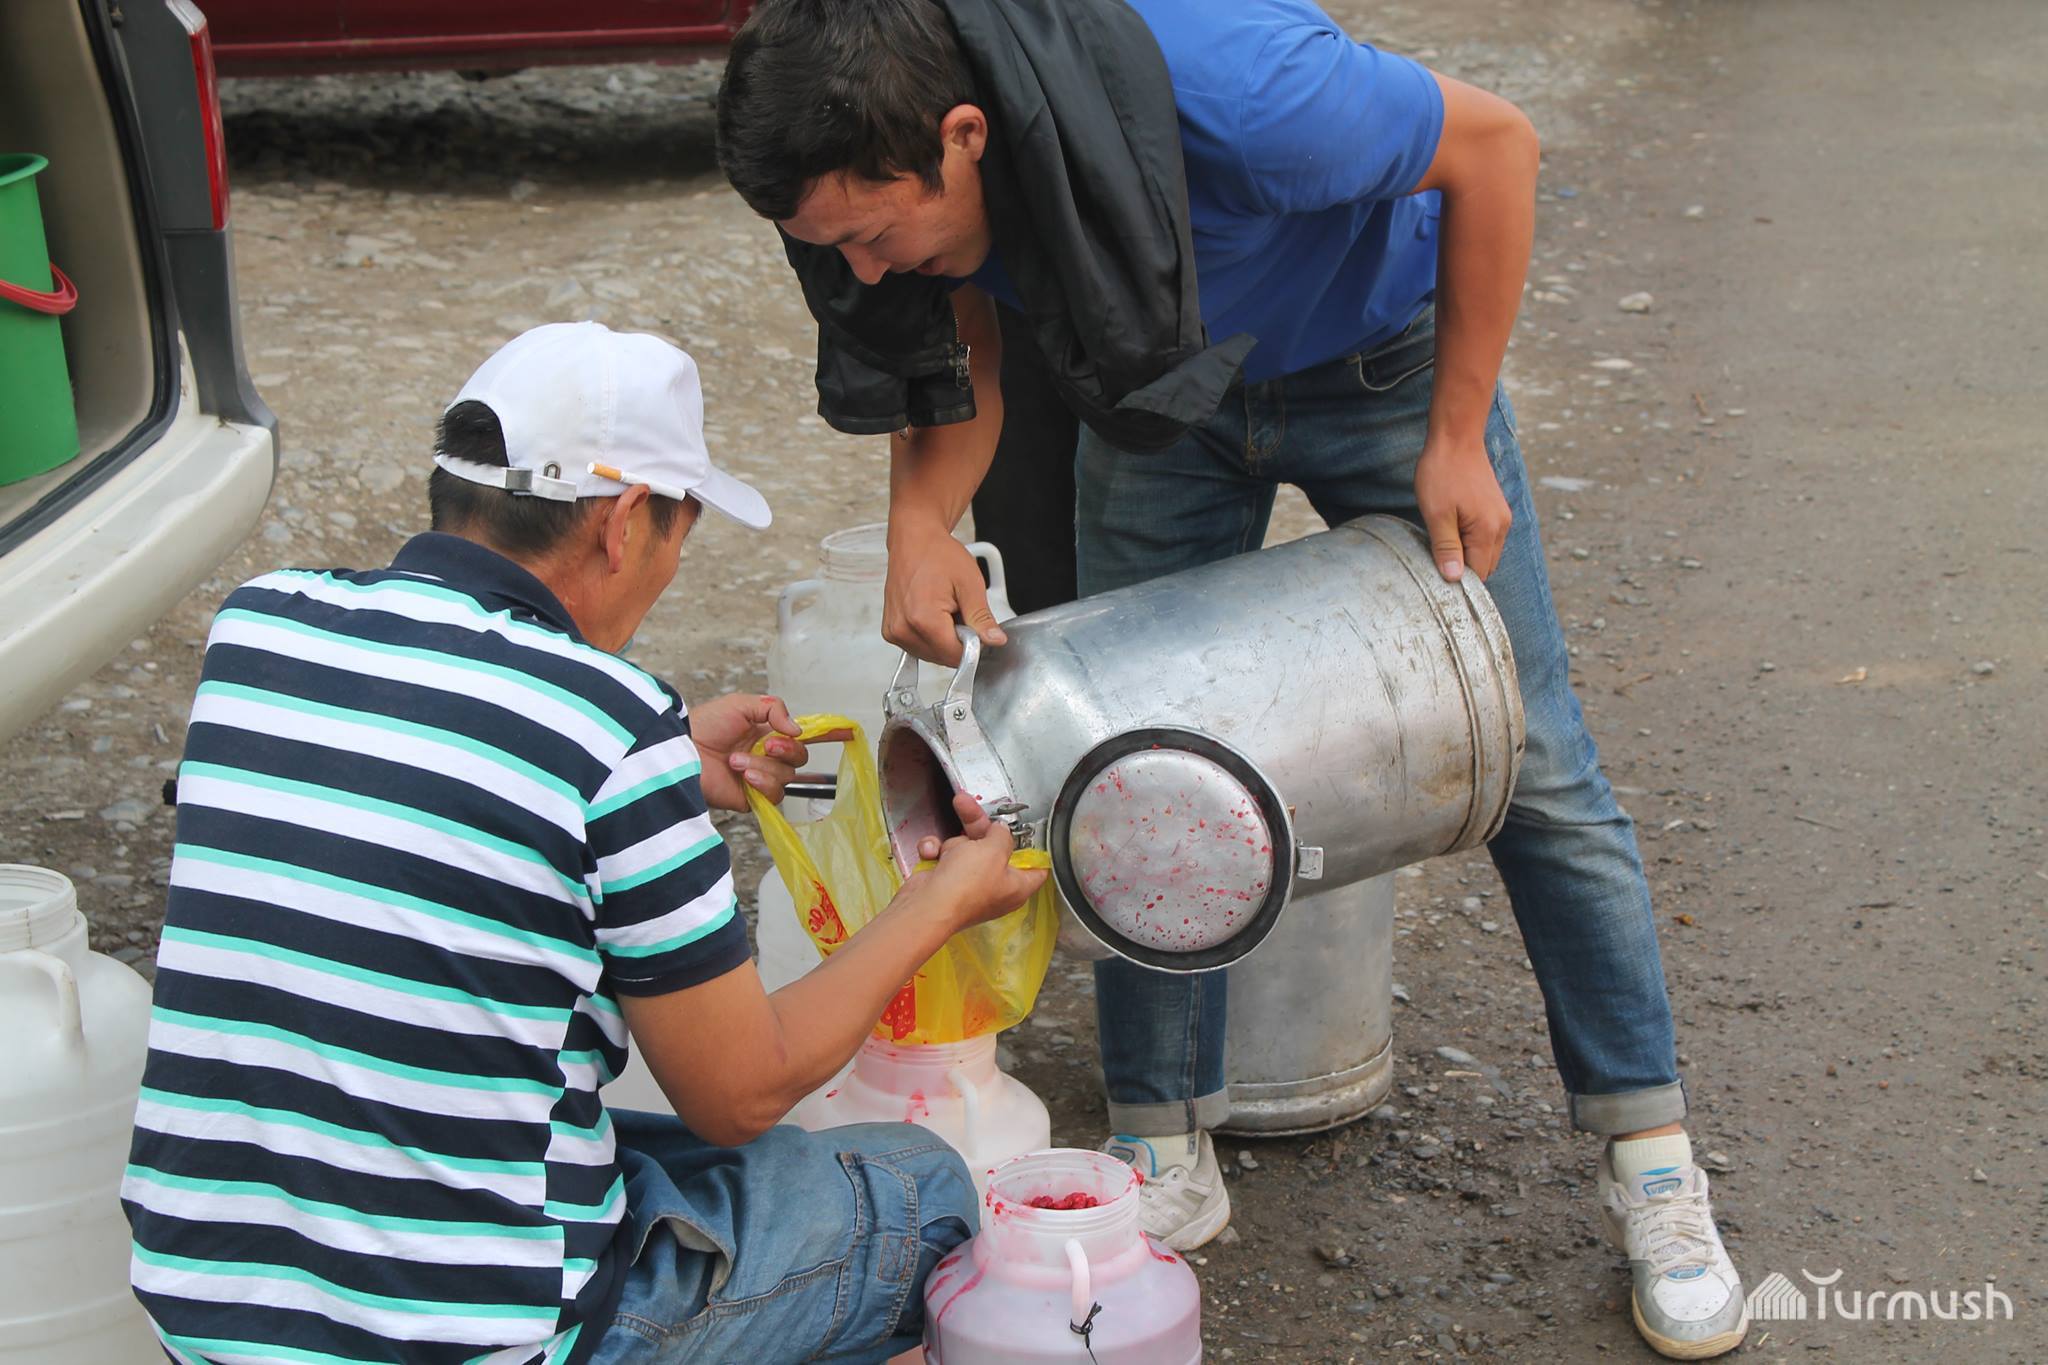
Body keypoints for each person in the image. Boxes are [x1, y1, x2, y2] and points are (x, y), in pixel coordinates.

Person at [715, 1, 1749, 1357]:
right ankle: (1160, 1139)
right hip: (1155, 391)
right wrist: (920, 524)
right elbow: (958, 326)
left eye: (867, 233)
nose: (862, 268)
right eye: (832, 251)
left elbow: (1495, 146)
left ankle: (1650, 1158)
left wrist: (1456, 432)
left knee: (1535, 762)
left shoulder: (1234, 91)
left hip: (1381, 366)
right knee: (1119, 763)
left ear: (965, 138)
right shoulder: (924, 138)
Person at [121, 321, 1046, 1365]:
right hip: (478, 1339)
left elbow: (430, 777)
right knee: (917, 1190)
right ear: (623, 521)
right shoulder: (609, 728)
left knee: (642, 1146)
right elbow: (741, 1091)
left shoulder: (260, 628)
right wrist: (938, 902)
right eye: (679, 530)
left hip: (205, 1308)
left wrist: (663, 758)